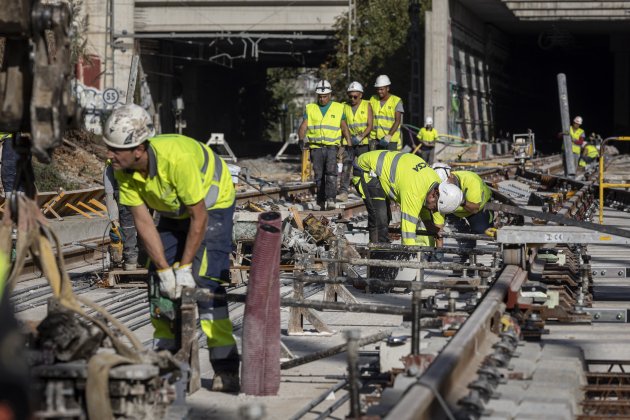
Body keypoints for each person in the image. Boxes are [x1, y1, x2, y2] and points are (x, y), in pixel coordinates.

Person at [103, 104, 240, 392]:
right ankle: (167, 358)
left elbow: (199, 217)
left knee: (205, 282)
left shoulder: (176, 160)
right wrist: (166, 270)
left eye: (116, 149)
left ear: (139, 149)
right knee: (159, 283)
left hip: (212, 205)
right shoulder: (122, 170)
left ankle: (225, 367)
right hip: (173, 209)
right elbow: (143, 222)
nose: (109, 155)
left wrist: (186, 266)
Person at [352, 150, 463, 246]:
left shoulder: (434, 183)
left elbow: (423, 206)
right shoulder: (414, 191)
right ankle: (377, 256)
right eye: (435, 207)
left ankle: (381, 249)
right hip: (366, 170)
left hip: (380, 169)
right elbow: (407, 233)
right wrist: (411, 259)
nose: (433, 210)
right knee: (380, 218)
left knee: (384, 217)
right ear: (434, 195)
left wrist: (432, 227)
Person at [298, 79, 351, 210]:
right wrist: (301, 138)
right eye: (320, 97)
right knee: (319, 176)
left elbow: (344, 128)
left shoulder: (338, 108)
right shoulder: (310, 108)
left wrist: (348, 144)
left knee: (331, 173)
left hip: (332, 147)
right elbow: (304, 126)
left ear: (330, 95)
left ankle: (331, 200)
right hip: (316, 148)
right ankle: (320, 201)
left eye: (325, 96)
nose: (322, 99)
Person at [432, 163, 494, 251]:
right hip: (454, 210)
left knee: (482, 232)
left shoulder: (471, 181)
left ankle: (475, 234)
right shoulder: (440, 187)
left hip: (477, 209)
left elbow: (475, 209)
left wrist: (461, 201)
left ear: (450, 176)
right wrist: (439, 249)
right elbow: (438, 222)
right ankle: (466, 237)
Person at [337, 81, 373, 202]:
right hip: (349, 143)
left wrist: (361, 136)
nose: (352, 99)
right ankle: (343, 192)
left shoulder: (367, 105)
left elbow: (370, 125)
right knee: (346, 167)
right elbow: (342, 125)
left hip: (363, 143)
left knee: (363, 169)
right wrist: (344, 143)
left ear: (361, 95)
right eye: (350, 96)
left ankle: (367, 191)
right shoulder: (344, 106)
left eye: (355, 96)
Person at [103, 161, 140, 270]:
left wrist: (114, 220)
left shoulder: (110, 165)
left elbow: (109, 194)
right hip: (140, 193)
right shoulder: (139, 155)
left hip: (124, 195)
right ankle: (143, 256)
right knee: (144, 225)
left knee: (127, 227)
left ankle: (131, 259)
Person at [370, 75, 404, 151]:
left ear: (387, 88)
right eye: (378, 89)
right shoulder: (373, 99)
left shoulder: (396, 101)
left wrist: (388, 136)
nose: (379, 91)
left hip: (390, 140)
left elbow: (397, 121)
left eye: (381, 89)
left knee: (389, 162)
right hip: (375, 139)